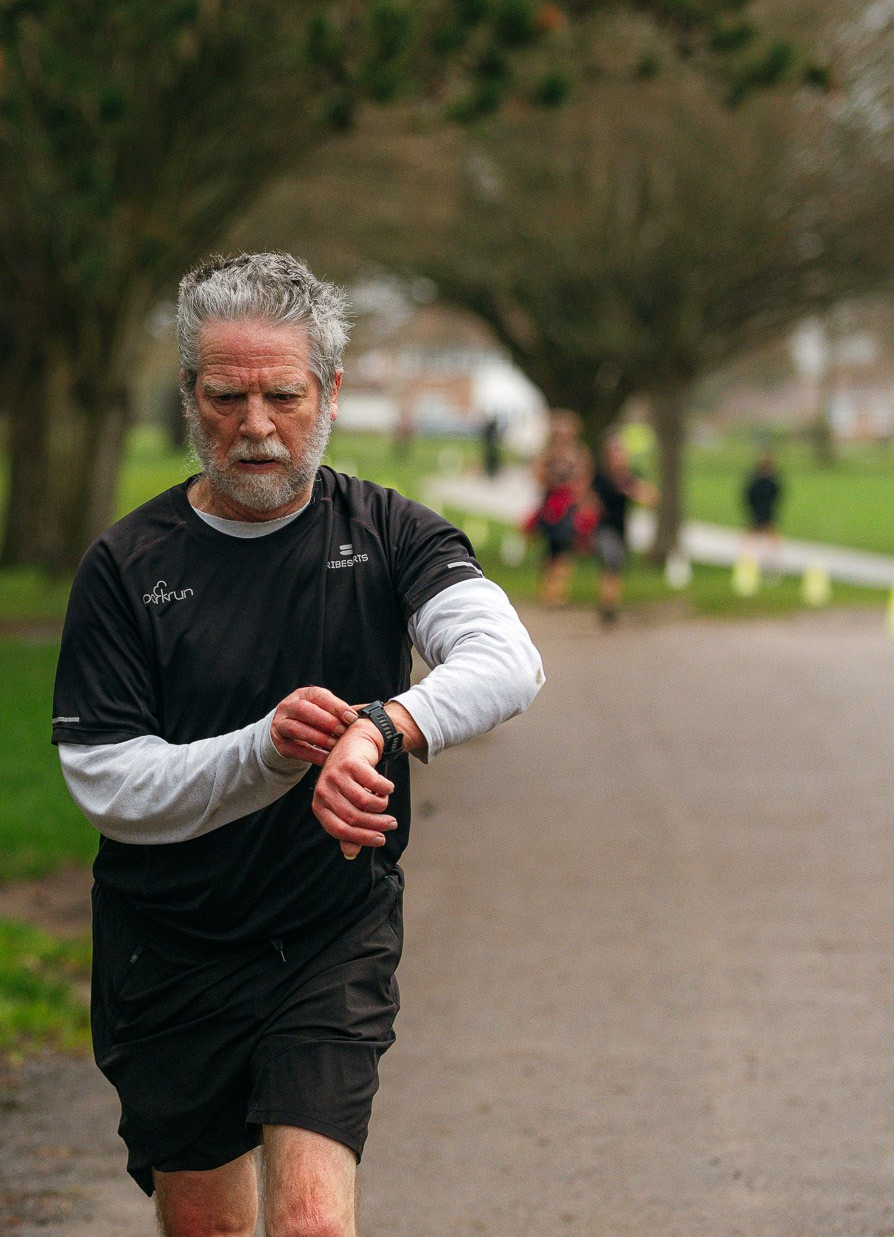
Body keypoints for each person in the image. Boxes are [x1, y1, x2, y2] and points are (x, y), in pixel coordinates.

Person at [52, 252, 544, 1237]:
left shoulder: (388, 531)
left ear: (328, 390)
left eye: (281, 393)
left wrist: (381, 723)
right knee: (211, 1227)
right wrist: (269, 749)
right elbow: (108, 781)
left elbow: (504, 657)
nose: (255, 426)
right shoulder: (126, 564)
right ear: (189, 396)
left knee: (313, 1223)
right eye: (225, 396)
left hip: (328, 927)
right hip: (170, 945)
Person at [590, 433, 657, 627]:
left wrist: (636, 491)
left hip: (620, 529)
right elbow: (590, 499)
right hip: (603, 529)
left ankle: (610, 605)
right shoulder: (601, 477)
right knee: (611, 564)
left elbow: (650, 497)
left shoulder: (629, 477)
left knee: (616, 568)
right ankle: (607, 605)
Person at [529, 410, 593, 606]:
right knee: (551, 547)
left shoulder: (580, 453)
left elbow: (585, 477)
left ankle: (559, 589)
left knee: (565, 546)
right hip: (550, 506)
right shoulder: (547, 454)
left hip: (569, 506)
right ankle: (548, 588)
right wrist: (553, 481)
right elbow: (537, 476)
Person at [741, 450, 784, 579]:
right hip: (765, 512)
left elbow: (748, 496)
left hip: (759, 512)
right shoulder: (770, 481)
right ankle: (765, 565)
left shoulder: (756, 481)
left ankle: (753, 565)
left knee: (754, 540)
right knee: (767, 539)